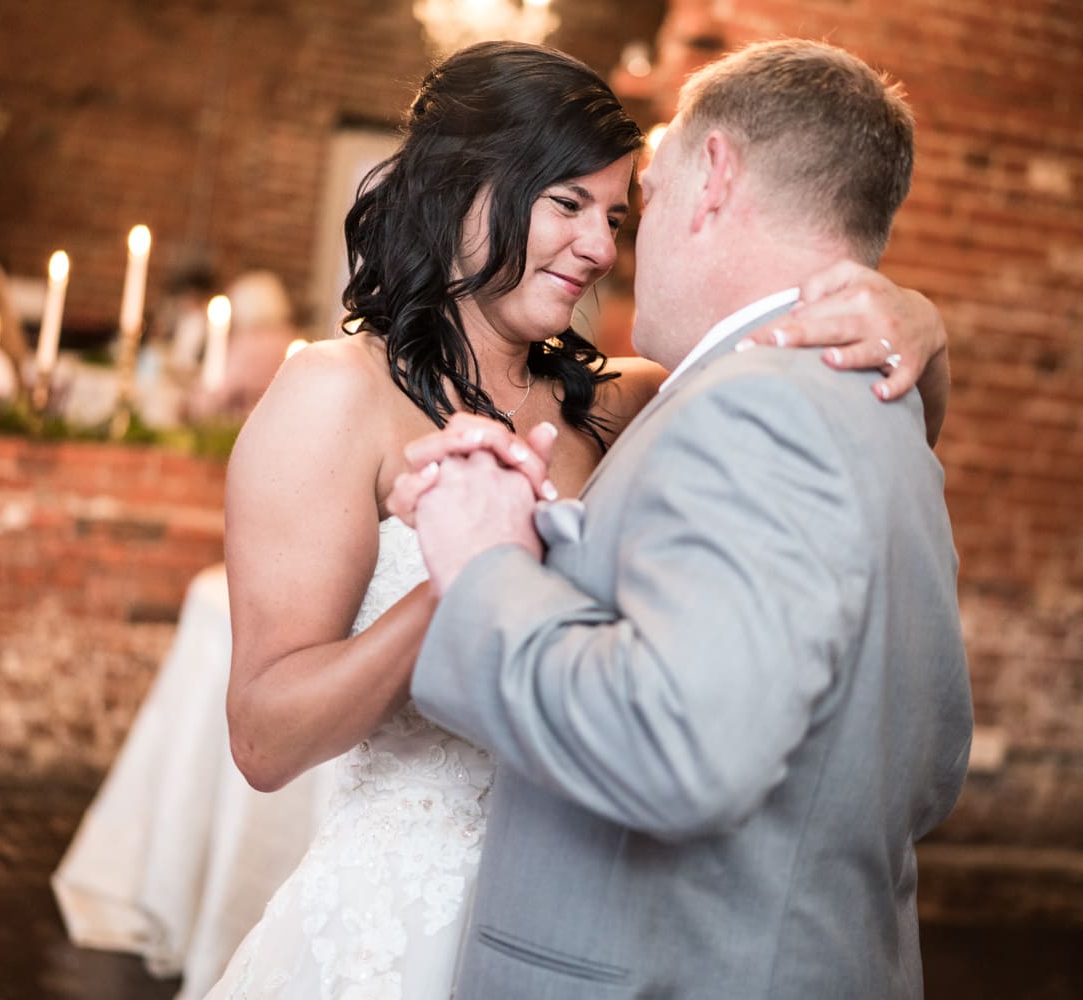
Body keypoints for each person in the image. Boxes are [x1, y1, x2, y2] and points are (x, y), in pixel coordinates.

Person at [207, 41, 951, 999]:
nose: (602, 247)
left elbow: (831, 415)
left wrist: (925, 329)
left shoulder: (626, 403)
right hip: (399, 926)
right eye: (567, 204)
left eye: (616, 214)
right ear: (462, 187)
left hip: (598, 923)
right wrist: (464, 579)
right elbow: (265, 738)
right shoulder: (333, 395)